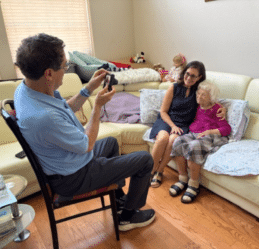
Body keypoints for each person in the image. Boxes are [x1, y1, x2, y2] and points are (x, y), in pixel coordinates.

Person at [14, 33, 155, 231]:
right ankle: (128, 217)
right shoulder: (43, 117)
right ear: (49, 74)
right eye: (64, 66)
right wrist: (97, 107)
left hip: (67, 162)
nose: (66, 70)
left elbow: (64, 109)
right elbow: (87, 144)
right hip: (72, 177)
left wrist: (89, 88)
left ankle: (119, 200)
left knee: (111, 143)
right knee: (144, 160)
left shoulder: (28, 89)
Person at [149, 61, 226, 188]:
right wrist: (172, 126)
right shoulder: (174, 87)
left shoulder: (199, 92)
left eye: (193, 76)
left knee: (173, 139)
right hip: (167, 120)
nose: (189, 78)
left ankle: (159, 171)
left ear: (199, 77)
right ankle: (150, 171)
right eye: (187, 74)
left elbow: (211, 101)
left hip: (183, 124)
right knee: (163, 138)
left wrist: (224, 109)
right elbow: (163, 111)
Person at [169, 80, 231, 203]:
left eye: (203, 95)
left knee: (194, 146)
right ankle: (183, 179)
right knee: (178, 142)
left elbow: (226, 129)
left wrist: (210, 131)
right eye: (198, 94)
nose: (199, 97)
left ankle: (193, 185)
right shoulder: (196, 106)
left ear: (211, 97)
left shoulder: (217, 109)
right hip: (194, 133)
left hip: (210, 136)